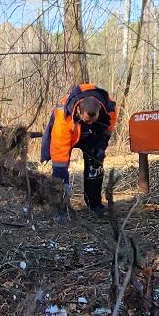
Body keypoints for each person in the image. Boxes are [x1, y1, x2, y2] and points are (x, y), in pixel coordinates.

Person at [40, 83, 117, 217]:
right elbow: (60, 153)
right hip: (70, 132)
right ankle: (61, 206)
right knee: (60, 170)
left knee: (95, 164)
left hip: (92, 135)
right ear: (79, 111)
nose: (90, 123)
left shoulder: (109, 108)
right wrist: (61, 180)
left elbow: (108, 129)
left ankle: (95, 204)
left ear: (100, 108)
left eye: (93, 120)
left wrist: (101, 146)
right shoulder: (63, 116)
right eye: (87, 120)